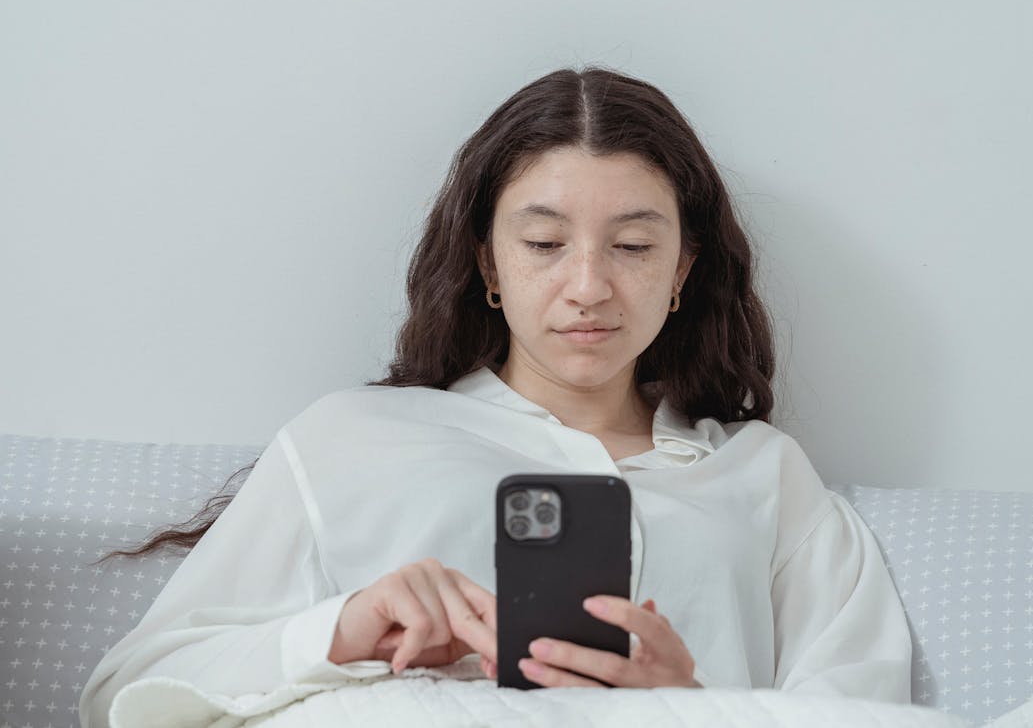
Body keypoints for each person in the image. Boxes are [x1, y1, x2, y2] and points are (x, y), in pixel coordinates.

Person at [79, 66, 912, 727]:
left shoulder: (766, 476)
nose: (587, 286)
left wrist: (689, 709)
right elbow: (128, 695)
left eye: (631, 245)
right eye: (545, 243)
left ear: (681, 273)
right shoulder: (350, 438)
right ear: (487, 264)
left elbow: (865, 710)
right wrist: (343, 630)